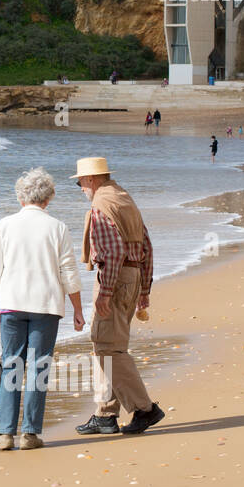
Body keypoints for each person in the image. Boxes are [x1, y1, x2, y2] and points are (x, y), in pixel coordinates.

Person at [0, 167, 84, 451]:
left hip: (11, 306)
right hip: (46, 307)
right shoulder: (58, 228)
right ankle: (30, 433)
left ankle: (4, 434)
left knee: (12, 364)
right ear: (48, 198)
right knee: (39, 366)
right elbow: (68, 272)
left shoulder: (5, 225)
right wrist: (77, 309)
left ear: (20, 197)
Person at [72, 157, 165, 436]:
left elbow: (111, 253)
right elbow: (146, 244)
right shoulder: (124, 197)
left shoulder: (102, 204)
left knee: (107, 346)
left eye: (80, 182)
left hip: (116, 278)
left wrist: (106, 292)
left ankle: (145, 409)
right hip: (133, 277)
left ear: (91, 180)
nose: (80, 188)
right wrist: (144, 289)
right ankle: (105, 413)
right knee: (108, 344)